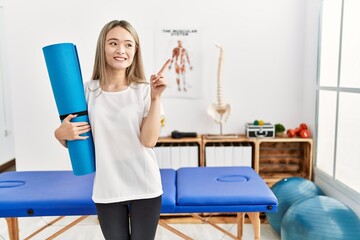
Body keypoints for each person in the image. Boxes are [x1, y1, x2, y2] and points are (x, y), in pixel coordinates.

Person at [54, 20, 169, 240]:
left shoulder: (145, 91)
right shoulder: (86, 91)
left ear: (136, 51)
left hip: (145, 185)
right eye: (113, 43)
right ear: (102, 48)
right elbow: (74, 135)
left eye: (128, 45)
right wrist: (59, 134)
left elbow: (149, 141)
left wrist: (156, 98)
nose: (120, 50)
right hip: (107, 188)